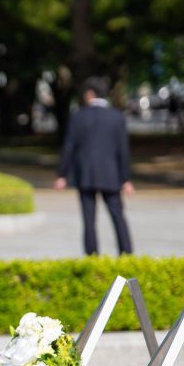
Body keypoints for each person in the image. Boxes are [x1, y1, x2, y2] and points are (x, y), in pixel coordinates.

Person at [55, 76, 134, 255]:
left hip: (85, 174)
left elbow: (69, 147)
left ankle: (92, 256)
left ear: (89, 94)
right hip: (111, 174)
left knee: (89, 220)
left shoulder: (78, 116)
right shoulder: (116, 117)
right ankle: (126, 254)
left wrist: (62, 175)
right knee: (118, 216)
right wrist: (126, 179)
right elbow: (123, 150)